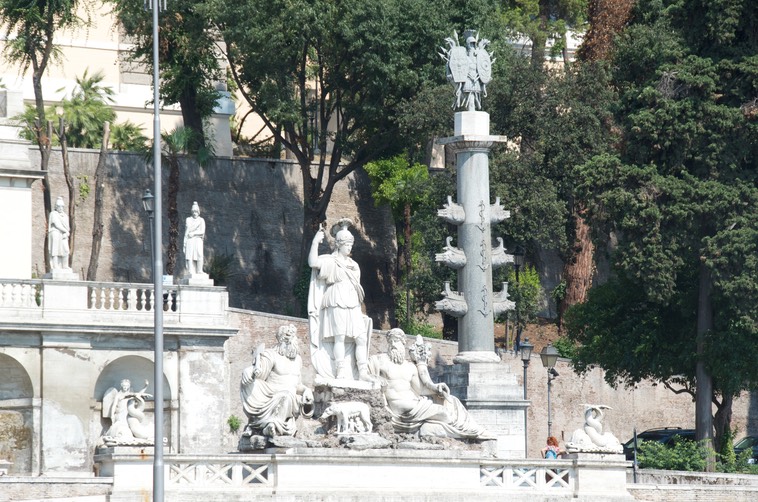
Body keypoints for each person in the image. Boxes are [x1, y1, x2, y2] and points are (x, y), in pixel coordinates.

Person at [368, 328, 491, 439]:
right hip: (399, 407)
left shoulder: (409, 366)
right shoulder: (379, 361)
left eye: (397, 341)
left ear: (403, 343)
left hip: (416, 404)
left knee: (452, 401)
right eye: (391, 341)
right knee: (444, 414)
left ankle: (471, 430)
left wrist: (437, 388)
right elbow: (364, 375)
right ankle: (467, 432)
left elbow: (421, 390)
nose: (394, 344)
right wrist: (376, 380)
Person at [307, 218, 372, 382]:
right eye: (347, 245)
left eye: (351, 244)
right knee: (340, 337)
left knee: (361, 337)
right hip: (336, 298)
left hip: (352, 301)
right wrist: (315, 242)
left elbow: (357, 287)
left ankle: (363, 371)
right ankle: (340, 370)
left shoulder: (354, 265)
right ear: (338, 244)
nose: (350, 248)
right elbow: (313, 262)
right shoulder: (330, 261)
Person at [240, 324, 314, 437]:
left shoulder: (298, 360)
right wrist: (248, 371)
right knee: (284, 395)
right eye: (287, 338)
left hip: (290, 397)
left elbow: (297, 385)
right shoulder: (271, 355)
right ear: (280, 339)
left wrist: (306, 390)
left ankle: (272, 425)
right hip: (272, 394)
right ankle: (270, 424)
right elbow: (259, 372)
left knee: (288, 395)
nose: (291, 341)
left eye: (293, 338)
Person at [102, 378, 153, 443]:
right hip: (120, 414)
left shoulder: (130, 394)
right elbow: (114, 405)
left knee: (131, 427)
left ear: (129, 386)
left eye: (127, 386)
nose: (125, 387)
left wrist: (145, 386)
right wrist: (112, 415)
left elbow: (138, 394)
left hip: (127, 413)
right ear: (121, 386)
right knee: (121, 428)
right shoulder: (118, 395)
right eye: (124, 386)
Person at [48, 196, 70, 270]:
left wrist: (66, 233)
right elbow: (57, 225)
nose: (60, 208)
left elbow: (67, 227)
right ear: (56, 207)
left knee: (66, 250)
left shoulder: (65, 216)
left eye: (62, 207)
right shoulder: (53, 214)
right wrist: (65, 231)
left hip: (63, 235)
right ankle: (55, 265)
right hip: (55, 233)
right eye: (59, 206)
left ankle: (65, 265)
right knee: (55, 250)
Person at [183, 201, 205, 275]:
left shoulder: (201, 220)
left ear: (198, 212)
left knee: (199, 254)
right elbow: (187, 230)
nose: (194, 213)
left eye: (196, 211)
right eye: (193, 211)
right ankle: (190, 270)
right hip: (190, 239)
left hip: (198, 239)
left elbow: (202, 231)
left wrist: (194, 233)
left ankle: (199, 270)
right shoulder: (188, 219)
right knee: (189, 255)